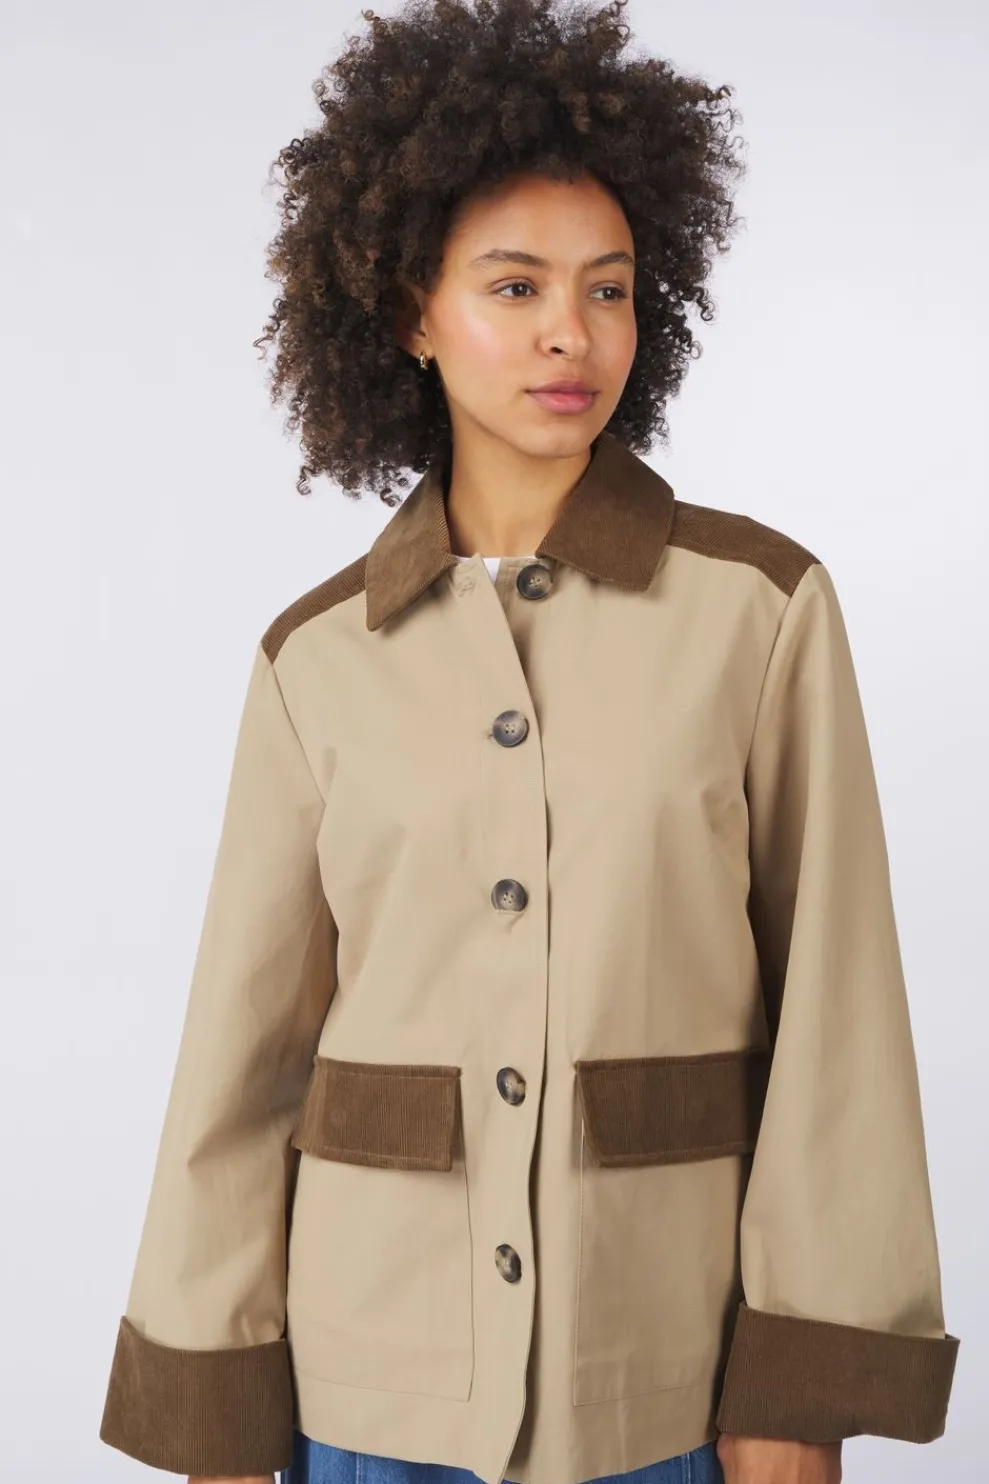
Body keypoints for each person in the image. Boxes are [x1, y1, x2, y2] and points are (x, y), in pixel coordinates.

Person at [97, 2, 959, 1482]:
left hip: (663, 1384)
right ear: (409, 314)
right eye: (516, 286)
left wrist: (801, 1389)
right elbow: (242, 1062)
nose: (574, 332)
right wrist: (218, 1420)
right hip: (365, 1395)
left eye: (609, 289)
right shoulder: (318, 659)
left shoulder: (759, 612)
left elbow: (842, 1024)